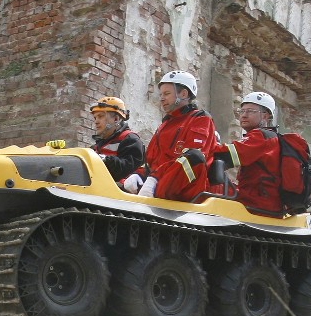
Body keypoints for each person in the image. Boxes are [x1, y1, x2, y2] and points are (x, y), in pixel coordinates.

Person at [122, 70, 217, 202]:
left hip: (185, 187)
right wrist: (138, 174)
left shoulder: (200, 119)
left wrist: (154, 178)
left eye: (167, 94)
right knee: (120, 187)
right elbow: (152, 160)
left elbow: (195, 156)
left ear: (183, 94)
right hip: (158, 182)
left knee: (194, 156)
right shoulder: (165, 124)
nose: (161, 98)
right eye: (161, 94)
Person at [212, 91, 284, 215]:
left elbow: (228, 154)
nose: (244, 115)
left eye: (250, 111)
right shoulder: (270, 137)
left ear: (265, 116)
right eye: (242, 111)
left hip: (257, 202)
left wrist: (204, 147)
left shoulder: (261, 137)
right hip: (261, 199)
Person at [89, 97, 144, 185]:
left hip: (120, 194)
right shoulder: (98, 145)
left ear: (116, 119)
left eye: (100, 116)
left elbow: (127, 168)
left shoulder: (131, 140)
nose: (96, 121)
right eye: (95, 118)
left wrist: (105, 160)